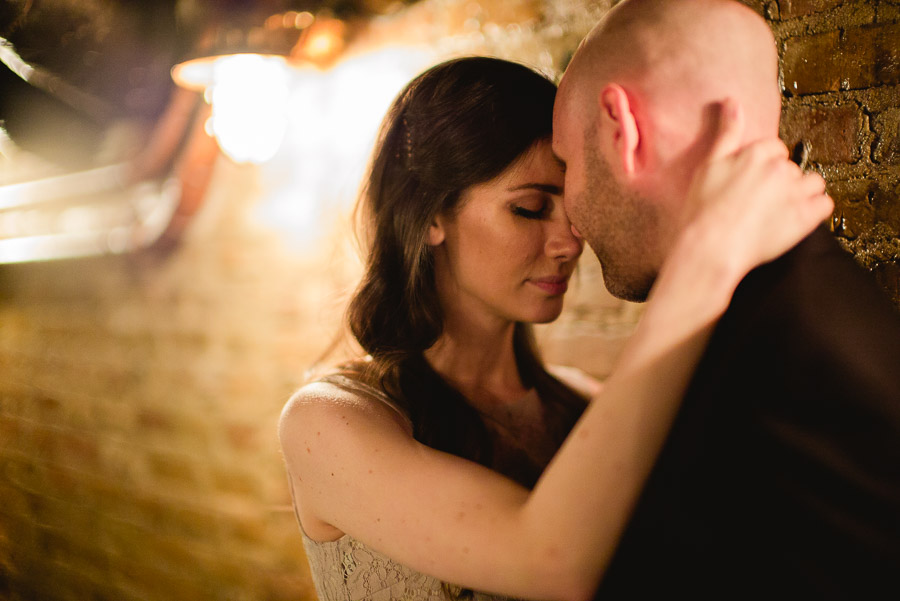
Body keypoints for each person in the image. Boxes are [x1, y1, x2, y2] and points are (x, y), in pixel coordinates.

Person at [279, 56, 831, 601]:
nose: (570, 242)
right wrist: (702, 261)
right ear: (429, 217)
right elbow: (547, 560)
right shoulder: (329, 422)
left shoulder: (587, 412)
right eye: (529, 207)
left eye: (571, 208)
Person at [552, 0, 900, 598]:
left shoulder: (796, 354)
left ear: (621, 129)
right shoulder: (776, 300)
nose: (569, 209)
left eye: (567, 161)